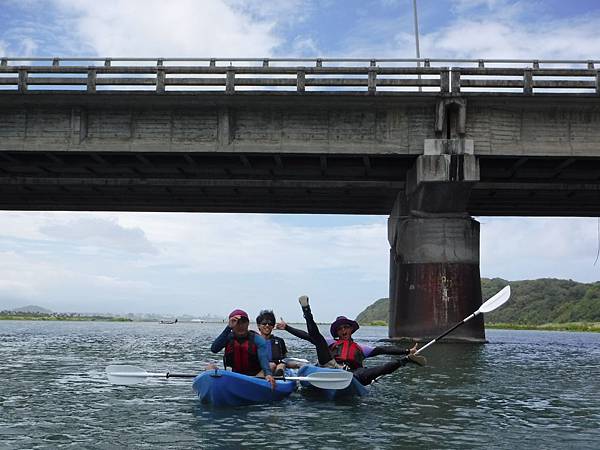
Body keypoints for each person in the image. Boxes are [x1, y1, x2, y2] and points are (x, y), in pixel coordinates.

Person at [276, 295, 426, 386]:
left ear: (351, 330)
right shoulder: (330, 342)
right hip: (329, 366)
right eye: (340, 329)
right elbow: (308, 336)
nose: (343, 330)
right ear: (337, 332)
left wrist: (407, 350)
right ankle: (307, 311)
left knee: (378, 370)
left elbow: (382, 350)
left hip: (353, 373)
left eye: (346, 327)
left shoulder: (362, 348)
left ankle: (406, 359)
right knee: (317, 339)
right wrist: (287, 327)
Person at [210, 309, 276, 389]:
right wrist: (228, 328)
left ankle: (251, 387)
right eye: (237, 323)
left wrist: (268, 374)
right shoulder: (227, 337)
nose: (240, 326)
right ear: (232, 324)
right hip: (234, 375)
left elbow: (263, 359)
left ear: (248, 324)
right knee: (210, 367)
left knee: (271, 365)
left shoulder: (257, 339)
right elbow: (214, 349)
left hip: (255, 377)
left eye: (243, 323)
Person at [255, 310, 288, 377]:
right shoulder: (253, 340)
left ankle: (279, 374)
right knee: (271, 365)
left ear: (273, 326)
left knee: (281, 365)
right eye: (264, 323)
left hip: (277, 367)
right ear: (259, 325)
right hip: (260, 368)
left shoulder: (280, 341)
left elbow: (284, 358)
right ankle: (257, 380)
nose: (267, 326)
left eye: (270, 324)